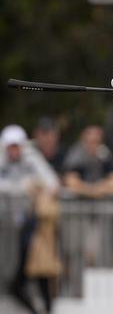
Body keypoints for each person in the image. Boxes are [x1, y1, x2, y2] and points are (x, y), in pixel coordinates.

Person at [0, 124, 60, 314]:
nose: (14, 151)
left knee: (36, 269)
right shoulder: (2, 161)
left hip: (29, 227)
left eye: (17, 146)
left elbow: (52, 183)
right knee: (15, 277)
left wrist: (35, 186)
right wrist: (21, 187)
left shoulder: (32, 158)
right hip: (6, 228)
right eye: (10, 147)